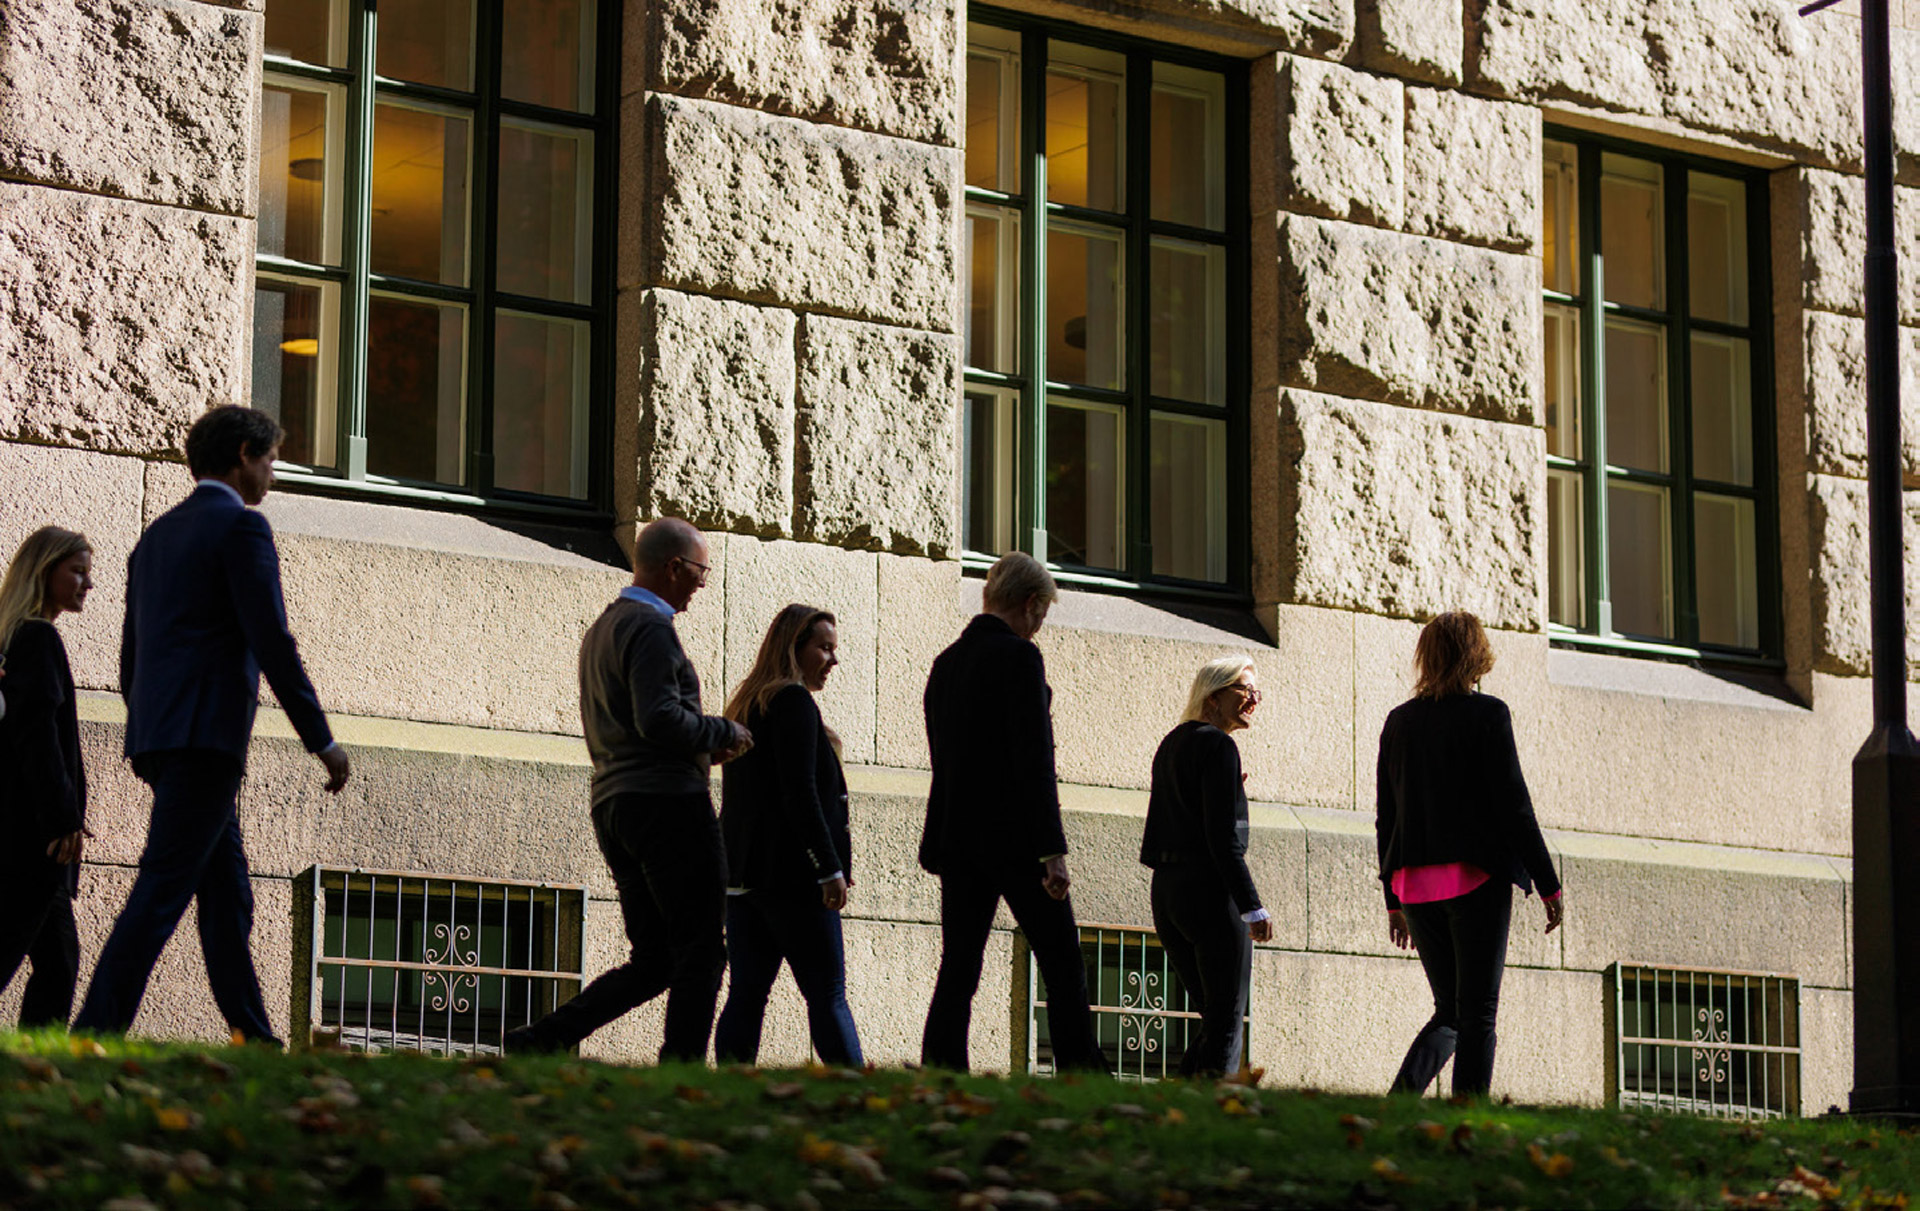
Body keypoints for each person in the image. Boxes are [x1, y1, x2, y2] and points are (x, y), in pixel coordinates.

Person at [74, 406, 351, 1045]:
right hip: (206, 741)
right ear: (244, 455)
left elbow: (132, 657)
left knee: (228, 899)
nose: (273, 475)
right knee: (161, 892)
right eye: (270, 460)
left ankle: (254, 1037)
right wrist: (322, 740)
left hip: (162, 739)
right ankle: (93, 1031)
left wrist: (150, 730)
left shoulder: (154, 538)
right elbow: (272, 641)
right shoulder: (243, 528)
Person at [504, 517, 749, 1061]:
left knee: (657, 958)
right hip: (668, 805)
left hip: (616, 805)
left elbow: (637, 722)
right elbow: (658, 718)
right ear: (674, 567)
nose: (703, 584)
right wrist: (722, 733)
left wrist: (700, 747)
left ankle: (541, 1039)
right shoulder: (651, 628)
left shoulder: (604, 628)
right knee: (702, 951)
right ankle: (681, 1070)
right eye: (701, 571)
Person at [920, 552, 1106, 1074]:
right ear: (1029, 605)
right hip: (1016, 841)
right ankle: (1080, 1071)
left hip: (958, 839)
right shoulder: (1020, 658)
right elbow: (1033, 760)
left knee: (959, 965)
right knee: (1062, 962)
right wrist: (1052, 851)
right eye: (1042, 613)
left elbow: (946, 759)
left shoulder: (946, 664)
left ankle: (941, 1068)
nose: (1039, 624)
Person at [1375, 611, 1563, 1098]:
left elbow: (1386, 817)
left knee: (1450, 1013)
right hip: (1475, 881)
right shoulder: (1488, 715)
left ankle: (1399, 1103)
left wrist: (1392, 900)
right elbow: (1515, 805)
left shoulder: (1399, 722)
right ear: (1476, 655)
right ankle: (1467, 1118)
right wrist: (1549, 884)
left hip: (1414, 888)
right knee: (1477, 1015)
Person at [713, 604, 862, 1067]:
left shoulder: (749, 704)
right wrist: (829, 868)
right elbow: (801, 794)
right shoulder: (793, 701)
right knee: (828, 994)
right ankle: (856, 1090)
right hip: (793, 880)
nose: (833, 660)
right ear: (794, 648)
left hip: (743, 880)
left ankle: (730, 1086)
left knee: (747, 993)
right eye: (824, 648)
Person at [1139, 656, 1272, 1079]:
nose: (1254, 700)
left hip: (1167, 895)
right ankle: (1219, 1104)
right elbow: (1222, 839)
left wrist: (1231, 792)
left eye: (1256, 692)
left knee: (1213, 1019)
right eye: (1245, 690)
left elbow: (1183, 814)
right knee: (1227, 1020)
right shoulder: (1219, 746)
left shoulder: (1172, 743)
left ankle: (1179, 1099)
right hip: (1210, 896)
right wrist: (1252, 907)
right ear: (1214, 696)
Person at [0, 527, 95, 1028]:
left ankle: (35, 1060)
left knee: (59, 961)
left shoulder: (13, 638)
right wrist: (63, 819)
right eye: (77, 571)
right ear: (44, 571)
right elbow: (39, 737)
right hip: (33, 838)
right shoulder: (37, 638)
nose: (88, 584)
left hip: (26, 833)